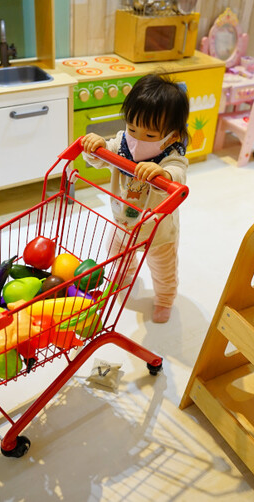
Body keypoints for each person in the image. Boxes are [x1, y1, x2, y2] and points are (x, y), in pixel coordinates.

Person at [81, 73, 189, 323]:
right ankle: (123, 278)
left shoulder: (171, 156)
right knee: (116, 255)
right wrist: (94, 147)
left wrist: (163, 173)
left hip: (157, 232)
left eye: (150, 135)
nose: (138, 139)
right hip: (122, 224)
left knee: (163, 271)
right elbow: (100, 157)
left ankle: (164, 299)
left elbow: (178, 176)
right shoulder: (122, 143)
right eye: (132, 128)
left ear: (172, 136)